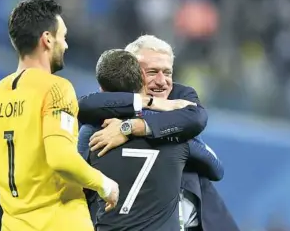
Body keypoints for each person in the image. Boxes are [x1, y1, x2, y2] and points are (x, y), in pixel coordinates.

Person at [0, 0, 119, 231]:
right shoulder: (57, 89)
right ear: (47, 39)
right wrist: (105, 185)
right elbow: (61, 159)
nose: (65, 45)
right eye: (63, 37)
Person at [78, 35, 240, 231]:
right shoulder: (100, 119)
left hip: (194, 218)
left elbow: (197, 118)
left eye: (168, 72)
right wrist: (147, 104)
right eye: (152, 72)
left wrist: (132, 127)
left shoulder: (180, 96)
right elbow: (85, 105)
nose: (162, 81)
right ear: (131, 73)